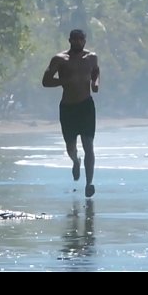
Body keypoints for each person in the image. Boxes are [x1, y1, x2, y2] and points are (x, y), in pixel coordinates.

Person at [42, 29, 99, 197]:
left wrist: (95, 83)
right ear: (69, 40)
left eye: (81, 39)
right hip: (68, 108)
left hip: (86, 106)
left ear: (85, 41)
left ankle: (89, 183)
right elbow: (45, 81)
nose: (78, 42)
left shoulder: (91, 57)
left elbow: (96, 71)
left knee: (89, 145)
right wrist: (64, 81)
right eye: (75, 39)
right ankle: (75, 161)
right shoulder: (60, 59)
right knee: (70, 146)